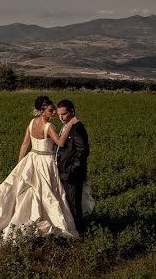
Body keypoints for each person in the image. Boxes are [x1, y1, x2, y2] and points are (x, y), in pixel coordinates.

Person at [0, 96, 80, 247]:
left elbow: (25, 144)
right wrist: (71, 124)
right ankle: (46, 221)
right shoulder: (49, 126)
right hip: (45, 162)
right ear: (42, 111)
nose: (53, 113)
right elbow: (60, 142)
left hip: (32, 158)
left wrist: (20, 164)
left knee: (36, 192)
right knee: (48, 193)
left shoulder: (31, 123)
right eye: (51, 110)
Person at [55, 99, 94, 234]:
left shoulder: (77, 128)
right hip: (63, 171)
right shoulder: (66, 126)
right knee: (67, 205)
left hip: (71, 174)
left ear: (72, 112)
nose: (61, 117)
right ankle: (72, 232)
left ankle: (80, 234)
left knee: (74, 206)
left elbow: (83, 151)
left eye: (64, 114)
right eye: (59, 114)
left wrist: (72, 171)